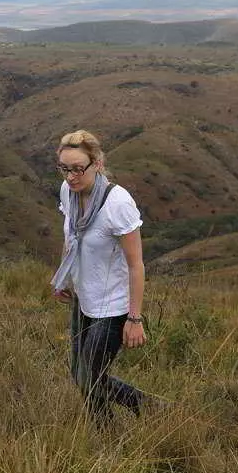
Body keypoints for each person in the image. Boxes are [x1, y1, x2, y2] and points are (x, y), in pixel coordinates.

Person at [51, 129, 155, 426]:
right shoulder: (67, 192)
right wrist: (63, 277)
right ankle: (113, 431)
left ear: (97, 163)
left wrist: (135, 319)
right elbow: (71, 237)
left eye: (78, 169)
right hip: (84, 299)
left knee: (89, 376)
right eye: (64, 168)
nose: (71, 176)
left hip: (113, 306)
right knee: (80, 374)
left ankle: (141, 411)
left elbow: (136, 265)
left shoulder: (117, 203)